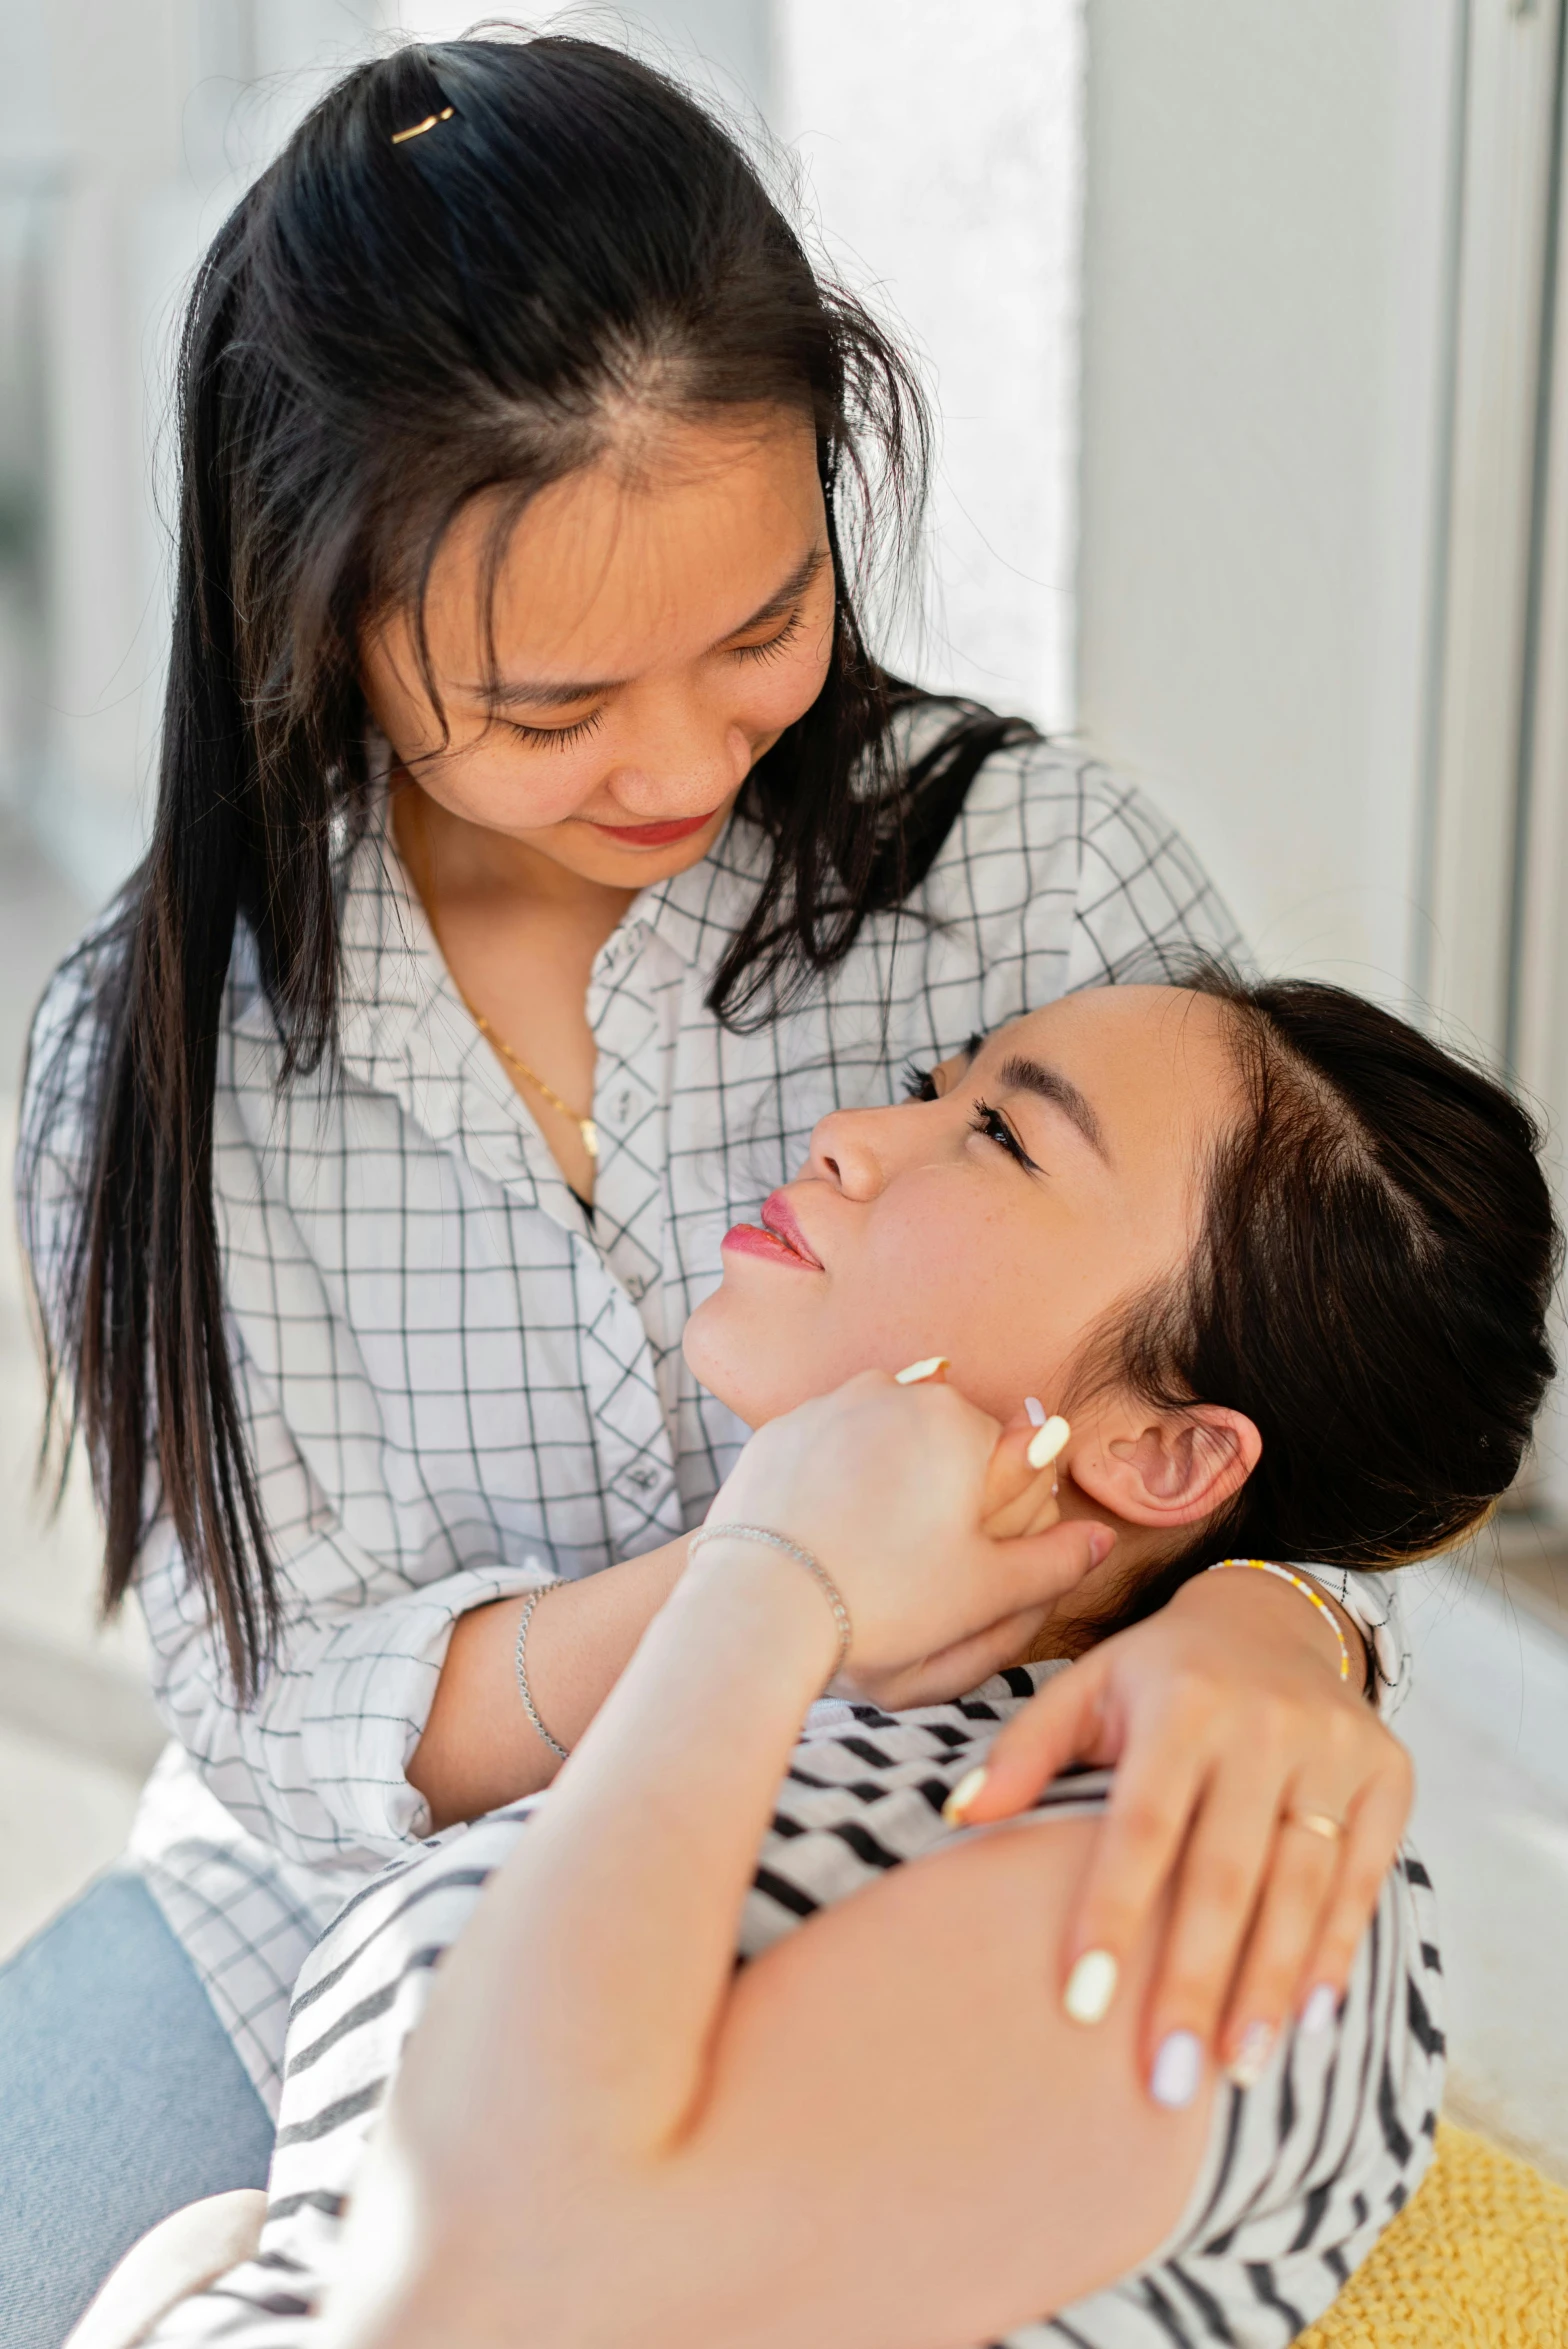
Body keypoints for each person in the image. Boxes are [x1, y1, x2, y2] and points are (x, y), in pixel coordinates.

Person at [10, 34, 1418, 2343]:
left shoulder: (1035, 885)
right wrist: (765, 1581)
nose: (677, 763)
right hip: (334, 1903)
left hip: (928, 1821)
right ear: (315, 603)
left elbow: (1279, 1356)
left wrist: (1283, 1627)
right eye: (551, 708)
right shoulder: (159, 1051)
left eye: (761, 625)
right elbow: (293, 1709)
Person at [136, 971, 1555, 2347]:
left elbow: (484, 2279)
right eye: (930, 1092)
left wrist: (769, 1570)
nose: (849, 1134)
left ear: (1163, 1448)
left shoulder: (1203, 1855)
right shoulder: (872, 1694)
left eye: (1002, 1135)